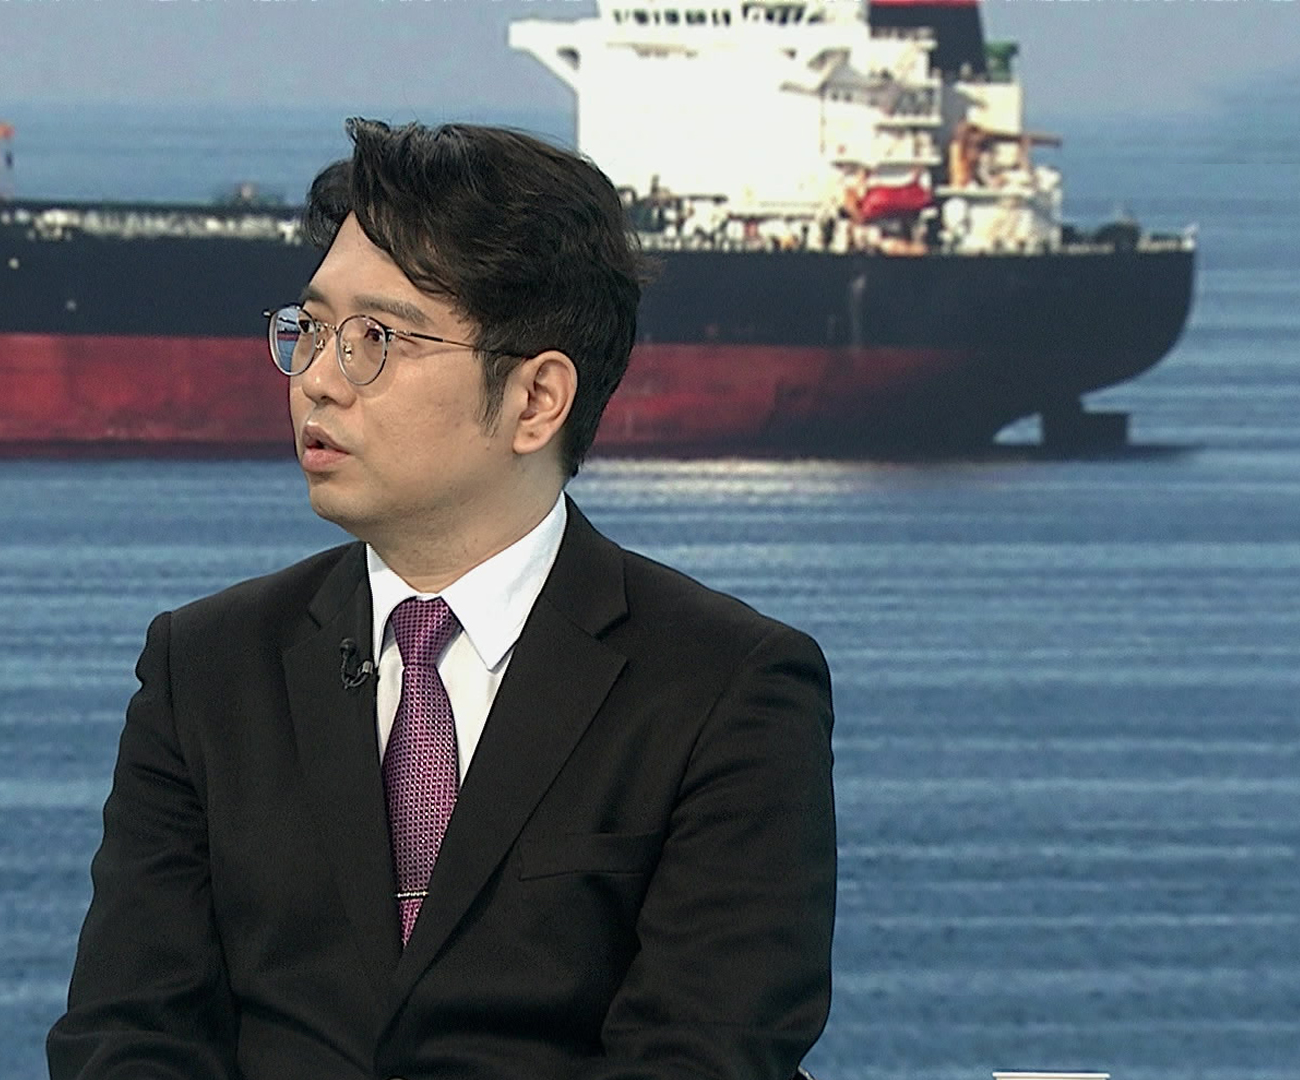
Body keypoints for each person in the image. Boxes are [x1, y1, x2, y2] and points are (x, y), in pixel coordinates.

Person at [48, 118, 837, 1080]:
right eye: (311, 329)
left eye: (376, 339)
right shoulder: (204, 665)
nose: (316, 381)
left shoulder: (727, 685)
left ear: (536, 401)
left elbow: (705, 1054)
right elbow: (128, 1036)